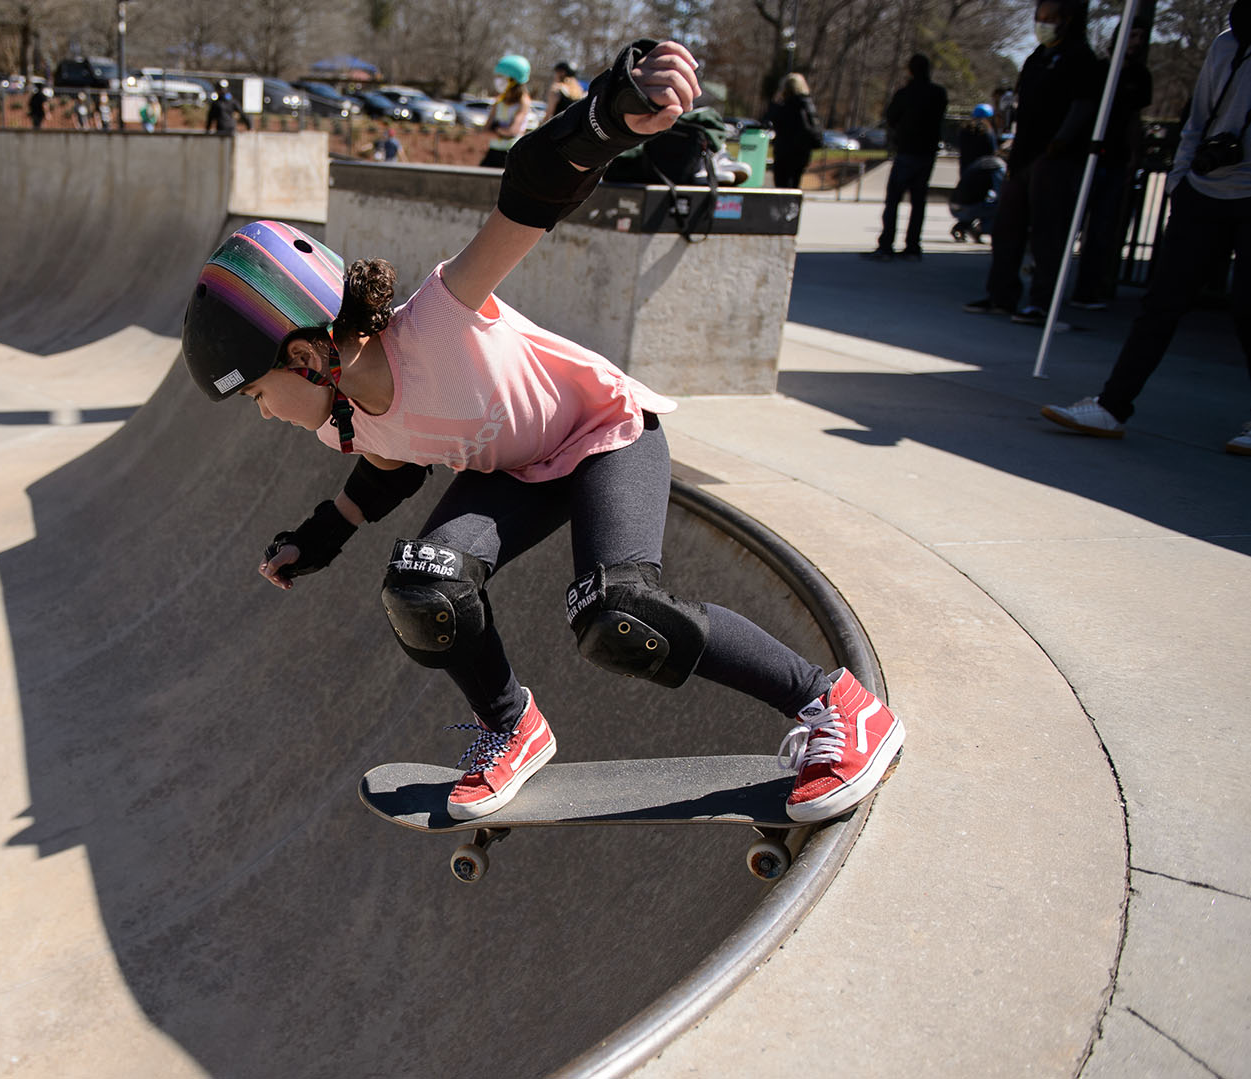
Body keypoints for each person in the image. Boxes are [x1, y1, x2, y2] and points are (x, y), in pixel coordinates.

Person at [178, 39, 903, 823]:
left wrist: (607, 116)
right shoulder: (344, 419)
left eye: (255, 392)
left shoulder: (440, 315)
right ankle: (511, 725)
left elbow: (527, 198)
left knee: (618, 614)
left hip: (605, 434)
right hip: (514, 470)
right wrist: (320, 536)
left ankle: (838, 707)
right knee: (423, 585)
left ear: (306, 353)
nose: (261, 411)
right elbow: (388, 467)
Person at [1040, 1, 1251, 457]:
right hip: (1203, 191)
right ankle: (1112, 407)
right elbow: (1196, 117)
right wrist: (1181, 179)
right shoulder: (1225, 44)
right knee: (1160, 305)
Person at [963, 0, 1104, 324]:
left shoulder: (1080, 58)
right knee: (1006, 229)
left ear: (1067, 20)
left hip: (1055, 157)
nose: (1043, 24)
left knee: (1047, 233)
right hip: (1023, 154)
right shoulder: (1035, 59)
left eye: (1050, 18)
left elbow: (1083, 106)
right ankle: (1001, 294)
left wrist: (1062, 141)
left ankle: (1042, 302)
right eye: (1039, 18)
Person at [1070, 23, 1153, 310]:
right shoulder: (1098, 69)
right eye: (1132, 35)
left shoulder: (1139, 77)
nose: (1136, 42)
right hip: (1087, 155)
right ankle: (1049, 287)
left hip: (1115, 159)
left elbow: (1134, 119)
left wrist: (1134, 154)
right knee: (1070, 223)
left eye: (1140, 37)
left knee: (1103, 228)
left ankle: (1088, 288)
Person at [865, 54, 948, 262]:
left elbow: (891, 118)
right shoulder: (938, 93)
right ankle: (912, 246)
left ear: (910, 70)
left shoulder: (905, 93)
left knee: (893, 200)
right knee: (918, 202)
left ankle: (886, 245)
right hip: (927, 153)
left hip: (907, 151)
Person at [762, 73, 822, 190]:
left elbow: (767, 120)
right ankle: (793, 207)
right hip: (802, 153)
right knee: (795, 185)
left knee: (782, 186)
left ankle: (783, 207)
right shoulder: (807, 104)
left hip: (784, 152)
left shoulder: (784, 106)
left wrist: (774, 102)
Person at [480, 54, 534, 168]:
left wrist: (496, 131)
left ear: (512, 79)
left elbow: (512, 131)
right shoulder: (499, 100)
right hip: (493, 151)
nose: (498, 79)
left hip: (512, 153)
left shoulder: (523, 101)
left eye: (501, 76)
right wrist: (501, 132)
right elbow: (485, 132)